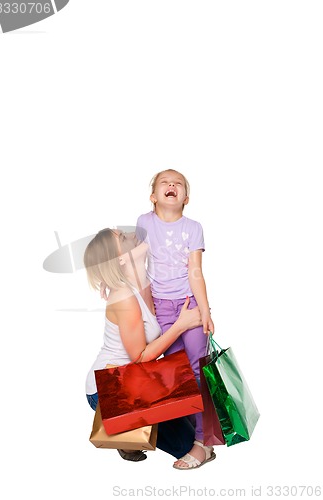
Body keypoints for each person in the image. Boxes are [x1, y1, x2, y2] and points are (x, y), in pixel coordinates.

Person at [84, 227, 207, 465]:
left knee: (194, 420)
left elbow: (157, 235)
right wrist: (181, 325)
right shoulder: (123, 297)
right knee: (186, 444)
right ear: (120, 258)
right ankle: (121, 433)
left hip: (136, 379)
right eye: (120, 237)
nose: (126, 232)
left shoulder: (146, 280)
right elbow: (140, 356)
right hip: (108, 388)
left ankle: (126, 430)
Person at [136, 169, 215, 470]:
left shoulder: (193, 227)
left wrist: (205, 311)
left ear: (186, 198)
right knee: (177, 376)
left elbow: (195, 271)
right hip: (162, 308)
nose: (172, 185)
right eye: (164, 183)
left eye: (178, 183)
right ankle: (186, 437)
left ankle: (203, 443)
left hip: (189, 305)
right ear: (153, 197)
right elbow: (140, 269)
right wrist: (150, 311)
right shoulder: (145, 222)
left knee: (197, 372)